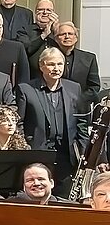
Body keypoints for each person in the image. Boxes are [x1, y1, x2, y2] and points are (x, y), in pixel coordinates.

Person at [17, 46, 88, 191]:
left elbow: (82, 122)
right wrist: (25, 147)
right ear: (41, 66)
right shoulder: (25, 89)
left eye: (59, 64)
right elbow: (19, 122)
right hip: (37, 153)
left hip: (66, 156)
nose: (56, 68)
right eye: (51, 64)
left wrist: (82, 148)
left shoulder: (74, 88)